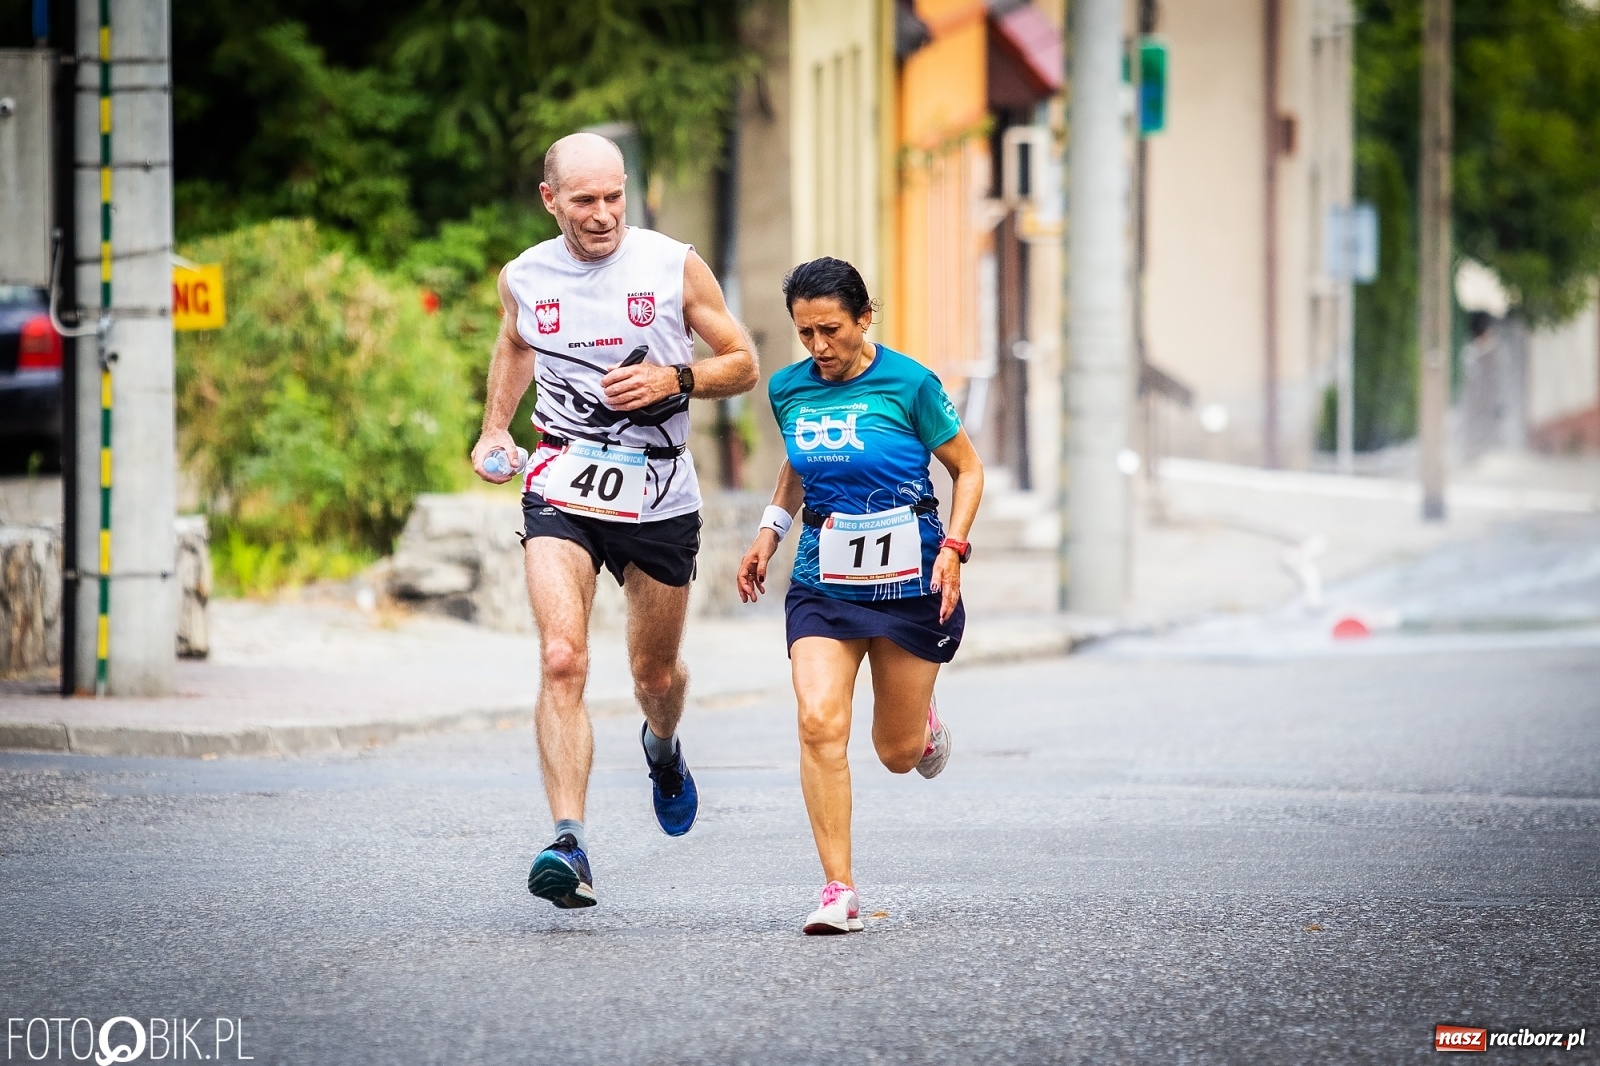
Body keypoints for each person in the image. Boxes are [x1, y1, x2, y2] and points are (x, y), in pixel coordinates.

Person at [473, 131, 759, 910]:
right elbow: (515, 344)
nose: (603, 214)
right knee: (562, 657)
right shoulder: (524, 277)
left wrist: (676, 378)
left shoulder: (671, 264)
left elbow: (743, 362)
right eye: (585, 200)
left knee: (653, 676)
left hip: (658, 491)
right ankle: (568, 842)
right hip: (561, 480)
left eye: (614, 196)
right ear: (550, 200)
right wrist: (495, 429)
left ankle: (662, 746)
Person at [736, 257, 984, 934]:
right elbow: (799, 466)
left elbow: (966, 469)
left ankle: (922, 722)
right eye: (805, 332)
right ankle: (838, 890)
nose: (818, 346)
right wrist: (768, 533)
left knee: (896, 754)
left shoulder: (910, 384)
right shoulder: (788, 389)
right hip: (824, 580)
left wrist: (955, 548)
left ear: (864, 318)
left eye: (832, 330)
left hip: (911, 580)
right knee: (819, 722)